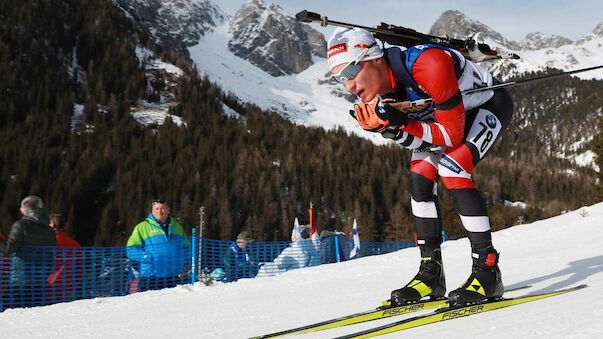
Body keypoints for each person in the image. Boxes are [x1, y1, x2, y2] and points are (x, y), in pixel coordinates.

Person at [326, 27, 513, 307]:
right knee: (419, 176)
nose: (348, 85)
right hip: (444, 120)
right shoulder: (375, 92)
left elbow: (451, 137)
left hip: (486, 106)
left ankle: (487, 271)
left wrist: (400, 123)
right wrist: (389, 129)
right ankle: (431, 273)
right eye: (339, 78)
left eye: (350, 72)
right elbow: (415, 142)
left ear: (375, 58)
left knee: (452, 169)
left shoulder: (429, 64)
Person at [0, 196, 56, 309]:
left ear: (23, 209)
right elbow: (51, 254)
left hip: (21, 278)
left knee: (9, 312)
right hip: (40, 279)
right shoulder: (50, 231)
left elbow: (8, 249)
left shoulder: (21, 225)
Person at [126, 199, 190, 292]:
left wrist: (180, 259)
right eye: (156, 209)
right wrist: (144, 257)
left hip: (172, 275)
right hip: (150, 276)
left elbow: (186, 247)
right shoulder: (142, 227)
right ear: (152, 211)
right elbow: (131, 249)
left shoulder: (177, 227)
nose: (159, 211)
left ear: (168, 210)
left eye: (163, 208)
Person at [47, 214, 81, 303]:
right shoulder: (75, 244)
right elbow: (79, 268)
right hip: (67, 286)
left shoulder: (48, 242)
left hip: (48, 286)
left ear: (52, 225)